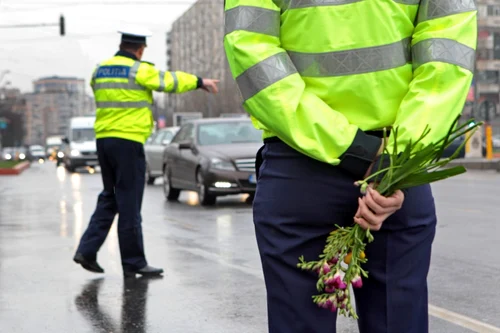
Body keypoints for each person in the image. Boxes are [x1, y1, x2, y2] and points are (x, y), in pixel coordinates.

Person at [223, 1, 476, 333]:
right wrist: (394, 160)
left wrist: (353, 148)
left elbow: (252, 52)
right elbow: (447, 58)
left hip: (301, 169)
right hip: (393, 170)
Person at [74, 27, 219, 278]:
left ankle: (87, 250)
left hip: (104, 141)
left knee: (111, 196)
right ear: (140, 49)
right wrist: (198, 81)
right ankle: (133, 262)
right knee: (129, 202)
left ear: (121, 45)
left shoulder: (100, 70)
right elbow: (168, 81)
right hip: (128, 142)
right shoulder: (139, 69)